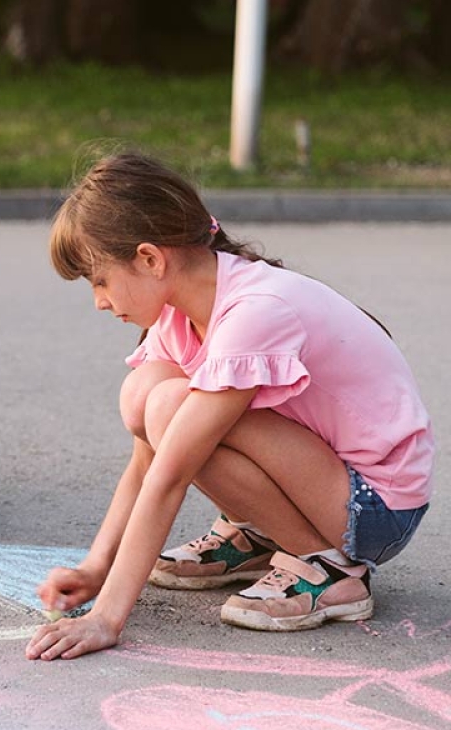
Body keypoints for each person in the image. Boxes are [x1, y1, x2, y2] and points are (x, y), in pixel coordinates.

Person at [26, 152, 432, 661]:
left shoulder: (254, 313)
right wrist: (96, 566)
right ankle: (258, 536)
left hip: (375, 507)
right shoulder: (180, 312)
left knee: (174, 408)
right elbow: (146, 458)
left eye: (100, 280)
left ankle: (329, 571)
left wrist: (107, 616)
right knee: (147, 394)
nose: (99, 301)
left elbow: (172, 473)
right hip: (323, 477)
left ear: (151, 259)